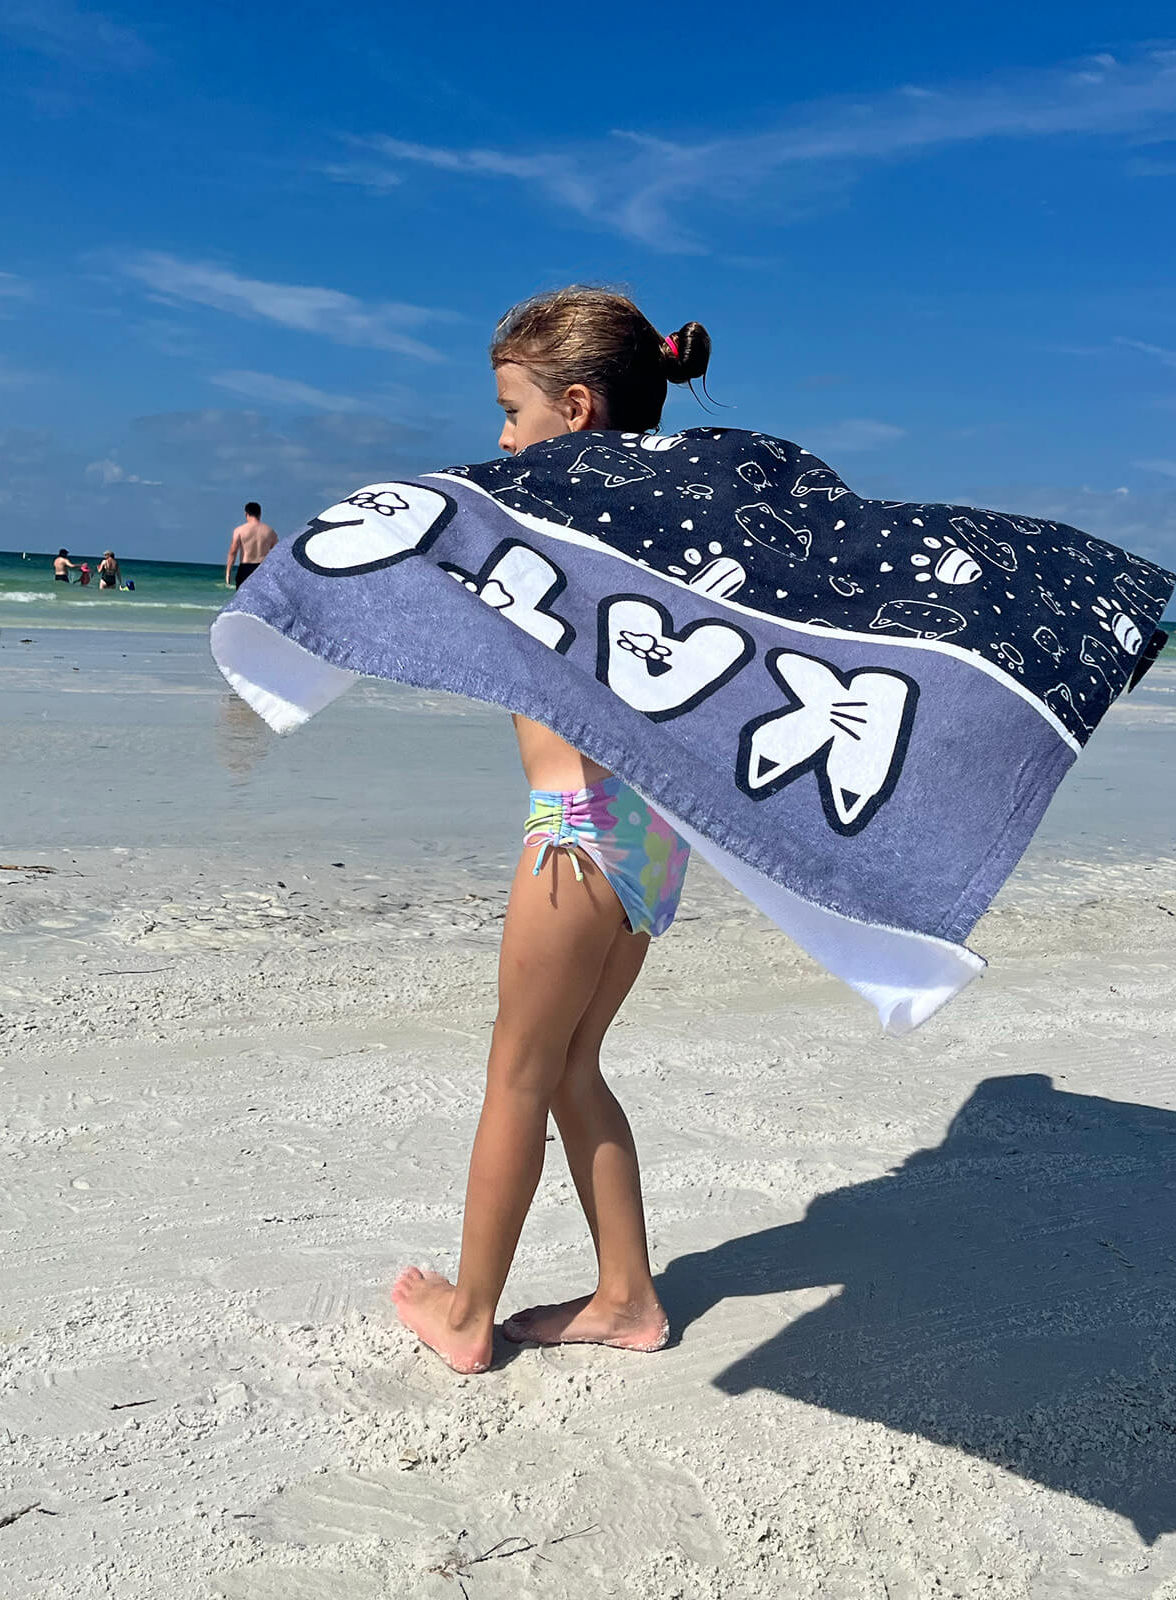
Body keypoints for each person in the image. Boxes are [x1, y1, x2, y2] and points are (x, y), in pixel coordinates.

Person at [390, 288, 711, 1374]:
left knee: (518, 1073)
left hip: (578, 826)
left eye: (511, 410)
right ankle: (626, 1296)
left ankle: (468, 1314)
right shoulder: (669, 529)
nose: (499, 437)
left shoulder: (560, 527)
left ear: (574, 409)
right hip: (653, 829)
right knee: (574, 1066)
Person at [226, 502, 278, 588]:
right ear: (260, 514)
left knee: (243, 595)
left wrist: (228, 572)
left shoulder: (239, 530)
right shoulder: (270, 532)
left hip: (245, 569)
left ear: (246, 514)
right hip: (263, 569)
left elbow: (233, 551)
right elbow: (276, 553)